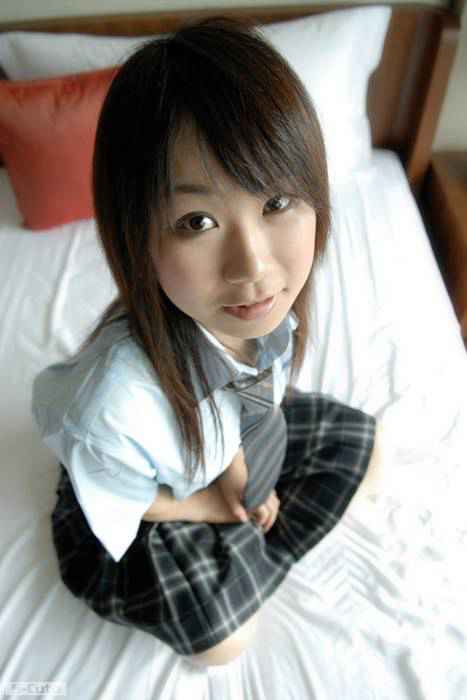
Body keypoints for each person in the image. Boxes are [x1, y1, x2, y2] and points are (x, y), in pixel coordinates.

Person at [31, 16, 380, 669]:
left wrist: (240, 479)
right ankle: (240, 564)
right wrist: (218, 508)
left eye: (276, 202)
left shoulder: (260, 316)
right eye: (197, 220)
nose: (252, 267)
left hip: (213, 447)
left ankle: (242, 559)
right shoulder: (111, 406)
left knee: (367, 449)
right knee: (224, 645)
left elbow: (246, 413)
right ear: (136, 232)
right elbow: (135, 504)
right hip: (141, 494)